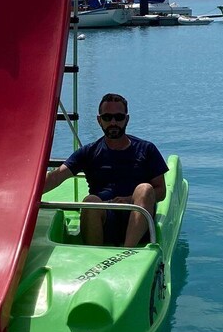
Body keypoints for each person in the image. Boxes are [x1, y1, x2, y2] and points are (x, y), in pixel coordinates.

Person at [44, 93, 168, 247]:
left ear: (127, 119)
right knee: (90, 201)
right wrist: (23, 197)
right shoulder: (89, 152)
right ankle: (95, 255)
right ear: (99, 120)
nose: (113, 122)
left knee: (145, 189)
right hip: (103, 219)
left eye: (119, 117)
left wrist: (129, 200)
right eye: (108, 118)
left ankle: (127, 251)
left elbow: (161, 190)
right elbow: (56, 177)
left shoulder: (146, 149)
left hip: (137, 217)